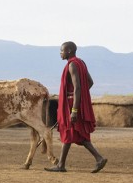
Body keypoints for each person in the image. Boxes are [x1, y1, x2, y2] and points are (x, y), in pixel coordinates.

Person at [45, 41, 108, 173]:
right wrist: (81, 96)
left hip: (71, 105)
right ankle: (63, 164)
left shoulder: (72, 65)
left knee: (71, 132)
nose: (60, 53)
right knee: (75, 133)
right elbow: (89, 83)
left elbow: (78, 87)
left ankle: (97, 158)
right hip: (75, 102)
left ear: (69, 51)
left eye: (61, 51)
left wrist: (74, 109)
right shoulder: (81, 63)